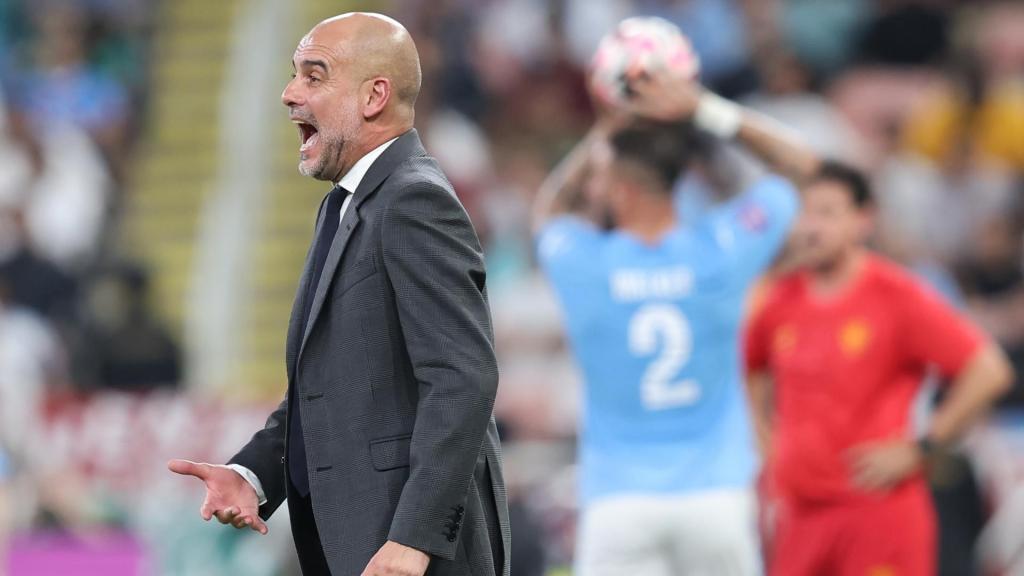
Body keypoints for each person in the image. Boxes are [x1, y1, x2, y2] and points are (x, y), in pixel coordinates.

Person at [168, 13, 509, 576]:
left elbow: (462, 377)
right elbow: (332, 388)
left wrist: (415, 538)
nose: (288, 93)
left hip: (408, 554)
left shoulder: (414, 201)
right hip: (360, 542)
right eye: (293, 74)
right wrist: (254, 474)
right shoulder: (349, 204)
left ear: (374, 95)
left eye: (314, 75)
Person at [532, 65, 818, 574]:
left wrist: (610, 126)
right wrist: (702, 108)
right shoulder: (720, 251)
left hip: (618, 503)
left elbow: (549, 213)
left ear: (622, 191)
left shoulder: (586, 263)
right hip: (716, 498)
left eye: (601, 180)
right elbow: (804, 168)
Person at [744, 161, 1013, 576]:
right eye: (804, 212)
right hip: (800, 514)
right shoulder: (780, 299)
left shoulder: (897, 296)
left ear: (863, 221)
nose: (810, 227)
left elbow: (989, 370)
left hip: (876, 508)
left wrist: (922, 446)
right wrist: (762, 434)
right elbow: (751, 363)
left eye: (827, 213)